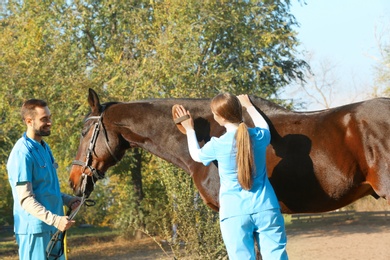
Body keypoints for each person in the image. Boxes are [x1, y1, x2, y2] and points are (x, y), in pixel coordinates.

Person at [175, 93, 288, 260]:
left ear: (219, 118)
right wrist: (249, 106)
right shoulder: (259, 136)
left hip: (234, 213)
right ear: (239, 112)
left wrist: (190, 130)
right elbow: (264, 127)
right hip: (266, 207)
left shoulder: (218, 144)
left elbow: (196, 156)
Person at [7, 99, 81, 260]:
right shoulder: (21, 153)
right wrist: (55, 220)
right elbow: (25, 199)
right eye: (44, 119)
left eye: (50, 117)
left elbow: (46, 189)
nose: (50, 122)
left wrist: (68, 200)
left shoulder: (44, 148)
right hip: (35, 231)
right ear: (29, 121)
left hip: (54, 229)